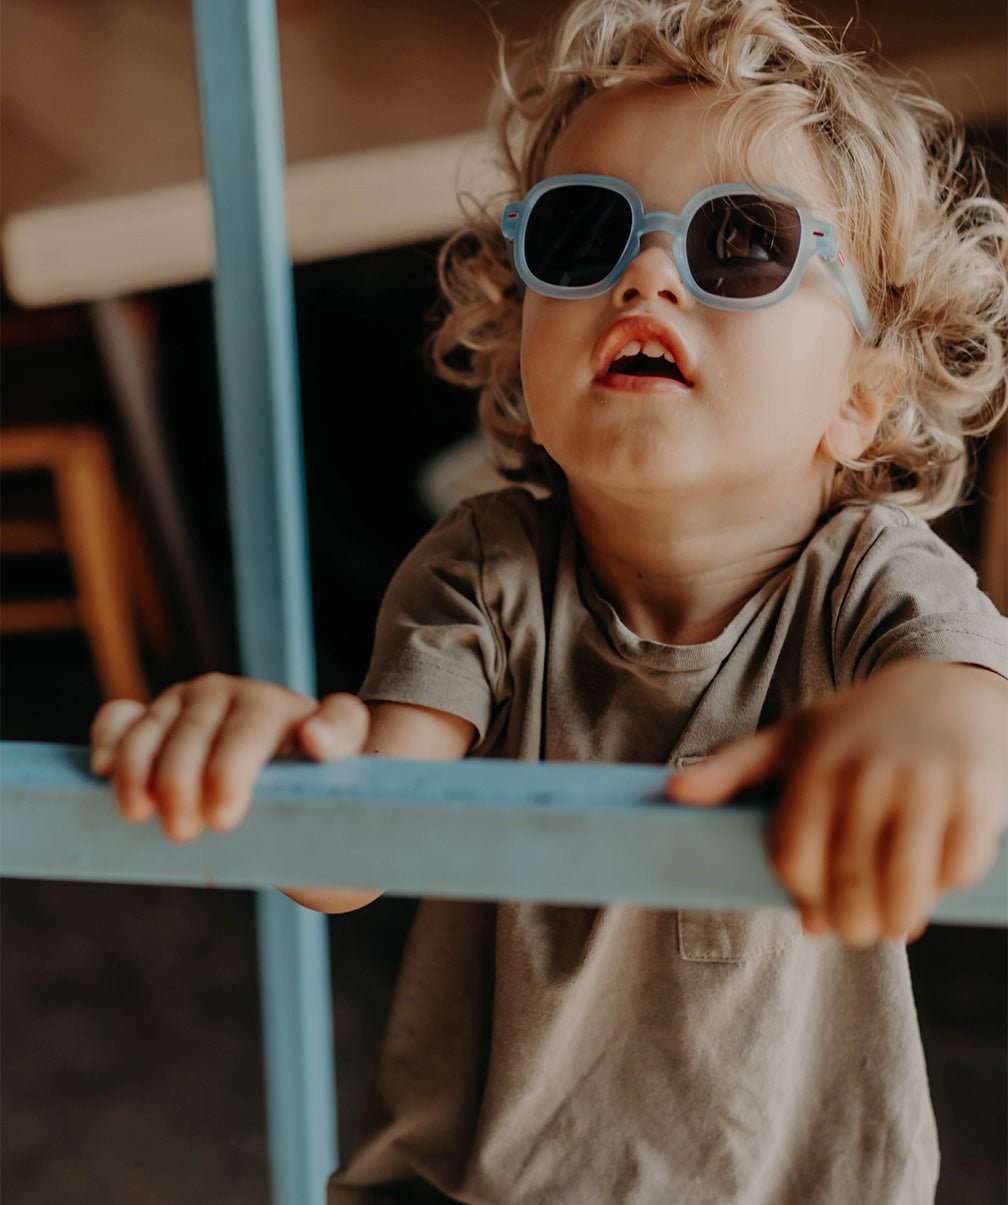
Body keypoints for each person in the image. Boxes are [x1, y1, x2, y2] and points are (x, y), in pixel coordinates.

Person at [91, 0, 1008, 1199]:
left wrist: (936, 727)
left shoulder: (871, 576)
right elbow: (361, 840)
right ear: (520, 337)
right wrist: (274, 764)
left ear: (860, 394)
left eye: (741, 243)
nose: (645, 272)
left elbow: (967, 701)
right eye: (583, 234)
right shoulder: (487, 566)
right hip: (479, 1178)